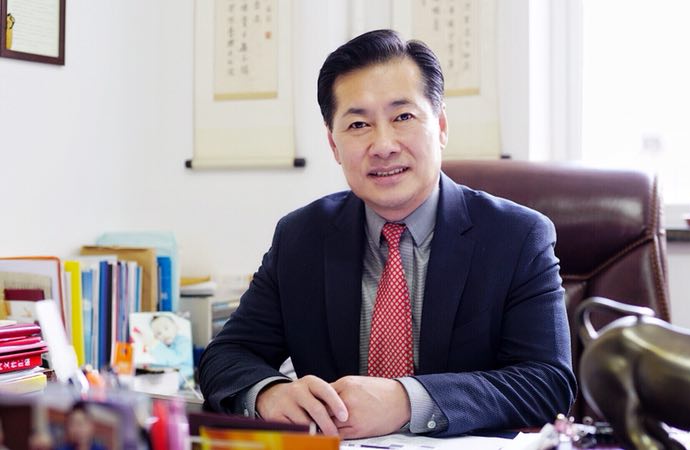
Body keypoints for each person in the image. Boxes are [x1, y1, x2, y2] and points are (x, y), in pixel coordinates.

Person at [198, 29, 576, 439]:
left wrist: (406, 400)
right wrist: (269, 394)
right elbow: (226, 355)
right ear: (333, 144)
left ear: (441, 126)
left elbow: (547, 382)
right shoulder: (301, 237)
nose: (383, 145)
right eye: (358, 124)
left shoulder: (516, 237)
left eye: (403, 117)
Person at [134, 314, 194, 383]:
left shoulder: (184, 342)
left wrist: (153, 343)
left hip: (187, 378)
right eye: (159, 333)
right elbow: (162, 363)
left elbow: (174, 359)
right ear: (156, 337)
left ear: (176, 326)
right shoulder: (164, 347)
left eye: (166, 328)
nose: (164, 334)